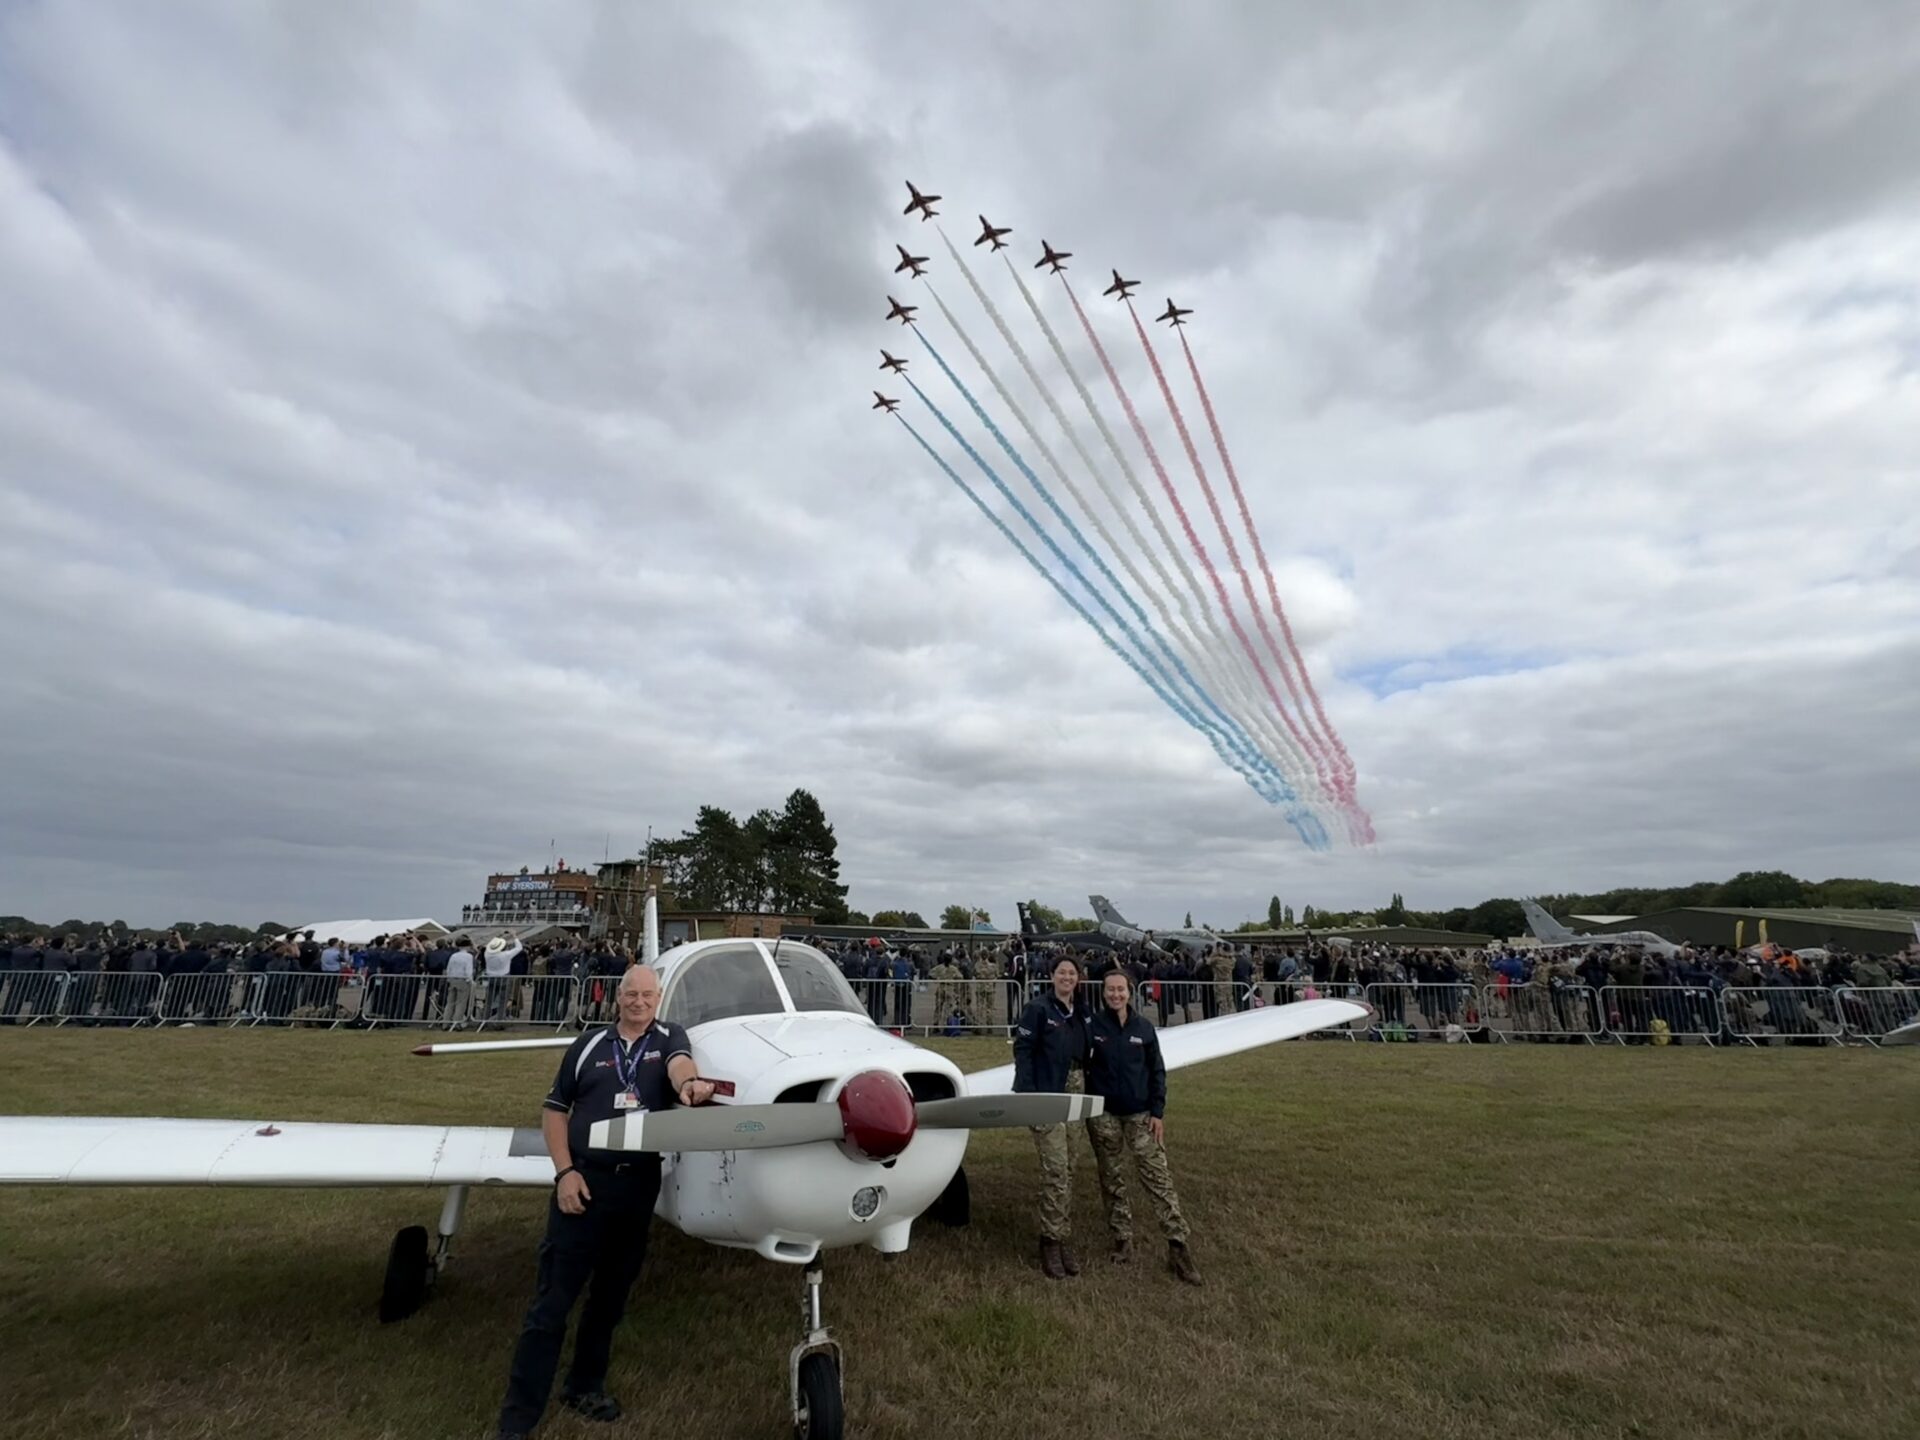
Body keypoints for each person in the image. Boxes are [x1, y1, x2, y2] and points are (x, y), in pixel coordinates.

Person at [496, 964, 715, 1439]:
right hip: (585, 1184)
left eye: (648, 995)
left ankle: (584, 1386)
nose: (639, 1002)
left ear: (658, 999)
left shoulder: (669, 1038)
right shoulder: (589, 1045)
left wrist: (688, 1085)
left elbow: (680, 1065)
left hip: (636, 1188)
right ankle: (517, 1419)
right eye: (631, 994)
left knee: (610, 1298)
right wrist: (565, 1173)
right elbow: (555, 1110)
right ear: (618, 997)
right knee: (552, 1304)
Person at [1084, 967, 1202, 1284]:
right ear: (1103, 992)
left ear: (1130, 992)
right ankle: (1122, 1239)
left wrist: (1157, 1111)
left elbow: (1157, 1071)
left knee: (1158, 1177)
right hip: (1103, 1115)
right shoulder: (1092, 1027)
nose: (1115, 994)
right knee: (1111, 1178)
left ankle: (1178, 1246)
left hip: (1140, 1115)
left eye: (1120, 989)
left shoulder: (1144, 1028)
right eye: (1110, 989)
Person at [1012, 954, 1091, 1280]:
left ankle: (1061, 1235)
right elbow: (1023, 1050)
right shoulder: (1038, 1009)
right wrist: (1029, 1095)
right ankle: (1049, 1241)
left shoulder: (1082, 1011)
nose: (1067, 977)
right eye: (1062, 972)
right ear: (1052, 975)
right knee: (1056, 1168)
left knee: (1069, 1167)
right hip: (1047, 1092)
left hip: (1076, 1090)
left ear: (1078, 978)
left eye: (1072, 973)